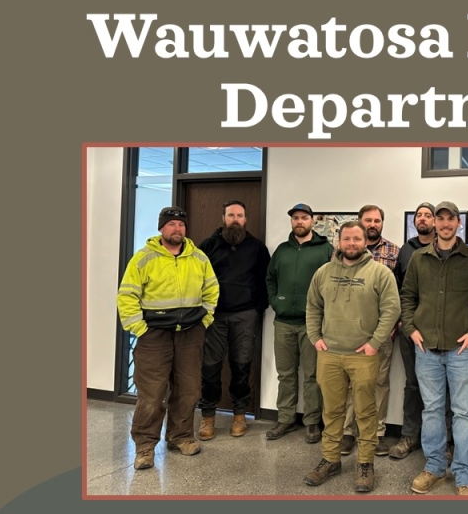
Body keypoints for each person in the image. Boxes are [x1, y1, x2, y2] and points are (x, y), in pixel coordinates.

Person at [400, 201, 468, 496]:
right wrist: (411, 329)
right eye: (439, 219)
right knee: (432, 411)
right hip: (425, 349)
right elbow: (407, 297)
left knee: (464, 413)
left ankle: (465, 475)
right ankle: (435, 468)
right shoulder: (418, 258)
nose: (444, 223)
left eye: (449, 218)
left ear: (458, 223)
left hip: (462, 351)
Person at [117, 206, 219, 470]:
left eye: (181, 225)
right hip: (154, 337)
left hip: (190, 335)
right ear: (161, 228)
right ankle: (145, 446)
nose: (178, 229)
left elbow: (212, 291)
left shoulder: (199, 258)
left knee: (188, 390)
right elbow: (127, 296)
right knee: (151, 394)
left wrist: (204, 321)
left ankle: (181, 437)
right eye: (172, 224)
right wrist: (140, 329)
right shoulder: (144, 258)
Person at [302, 221, 401, 493]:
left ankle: (365, 464)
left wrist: (374, 343)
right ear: (339, 241)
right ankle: (330, 459)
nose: (352, 244)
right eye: (347, 239)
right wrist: (315, 337)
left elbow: (391, 310)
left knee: (366, 412)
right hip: (330, 354)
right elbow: (312, 306)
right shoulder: (323, 273)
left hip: (363, 355)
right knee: (331, 411)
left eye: (357, 239)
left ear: (364, 242)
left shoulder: (380, 273)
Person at [195, 200, 270, 440]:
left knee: (241, 365)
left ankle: (239, 415)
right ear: (223, 218)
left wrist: (257, 308)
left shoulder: (257, 248)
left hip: (245, 315)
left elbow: (265, 280)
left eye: (239, 215)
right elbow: (196, 279)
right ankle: (208, 417)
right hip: (214, 316)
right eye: (231, 215)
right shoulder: (208, 246)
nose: (235, 219)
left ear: (245, 219)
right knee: (211, 367)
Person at [265, 203, 334, 444]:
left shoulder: (325, 250)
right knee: (285, 374)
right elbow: (270, 279)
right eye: (296, 218)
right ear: (292, 221)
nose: (300, 222)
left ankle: (312, 422)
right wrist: (275, 302)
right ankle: (285, 418)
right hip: (283, 322)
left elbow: (332, 283)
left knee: (313, 375)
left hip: (312, 324)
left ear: (312, 221)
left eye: (304, 218)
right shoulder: (282, 250)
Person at [339, 204, 400, 458]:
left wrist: (393, 325)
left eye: (377, 220)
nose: (372, 224)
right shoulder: (342, 252)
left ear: (382, 224)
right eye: (368, 220)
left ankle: (376, 433)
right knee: (352, 384)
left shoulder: (395, 251)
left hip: (382, 332)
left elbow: (400, 292)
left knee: (378, 384)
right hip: (350, 332)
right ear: (360, 222)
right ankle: (348, 432)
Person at [387, 202, 436, 460]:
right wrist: (401, 321)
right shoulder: (406, 250)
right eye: (419, 215)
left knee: (441, 386)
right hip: (410, 328)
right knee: (412, 384)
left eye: (428, 215)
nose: (423, 219)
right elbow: (399, 288)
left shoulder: (444, 247)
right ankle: (409, 435)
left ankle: (441, 441)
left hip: (439, 331)